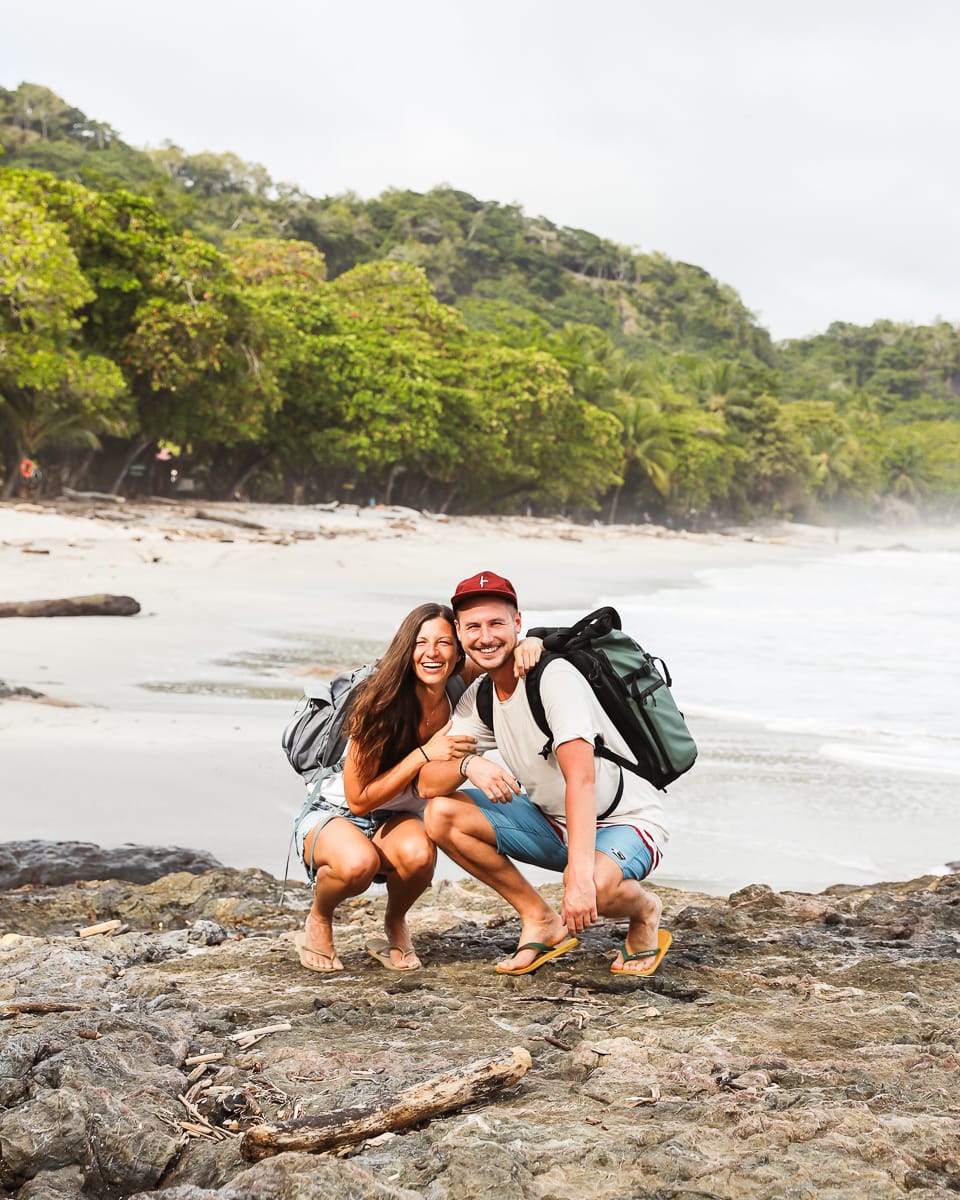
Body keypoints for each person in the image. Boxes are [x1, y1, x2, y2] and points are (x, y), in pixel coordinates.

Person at [420, 572, 671, 978]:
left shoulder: (553, 678)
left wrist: (579, 878)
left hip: (625, 820)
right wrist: (468, 763)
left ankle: (645, 910)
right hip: (553, 821)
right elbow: (428, 783)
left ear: (518, 623)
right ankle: (540, 918)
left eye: (496, 623)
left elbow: (582, 779)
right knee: (441, 814)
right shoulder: (481, 695)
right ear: (460, 633)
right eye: (474, 627)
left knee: (600, 891)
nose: (486, 637)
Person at [294, 601, 542, 974]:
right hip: (337, 814)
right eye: (421, 642)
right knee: (358, 864)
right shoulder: (379, 703)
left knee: (420, 856)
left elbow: (496, 651)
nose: (432, 653)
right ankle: (319, 917)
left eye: (443, 642)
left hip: (398, 816)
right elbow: (359, 801)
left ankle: (395, 921)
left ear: (457, 649)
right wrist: (423, 754)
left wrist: (532, 641)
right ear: (405, 648)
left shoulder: (458, 685)